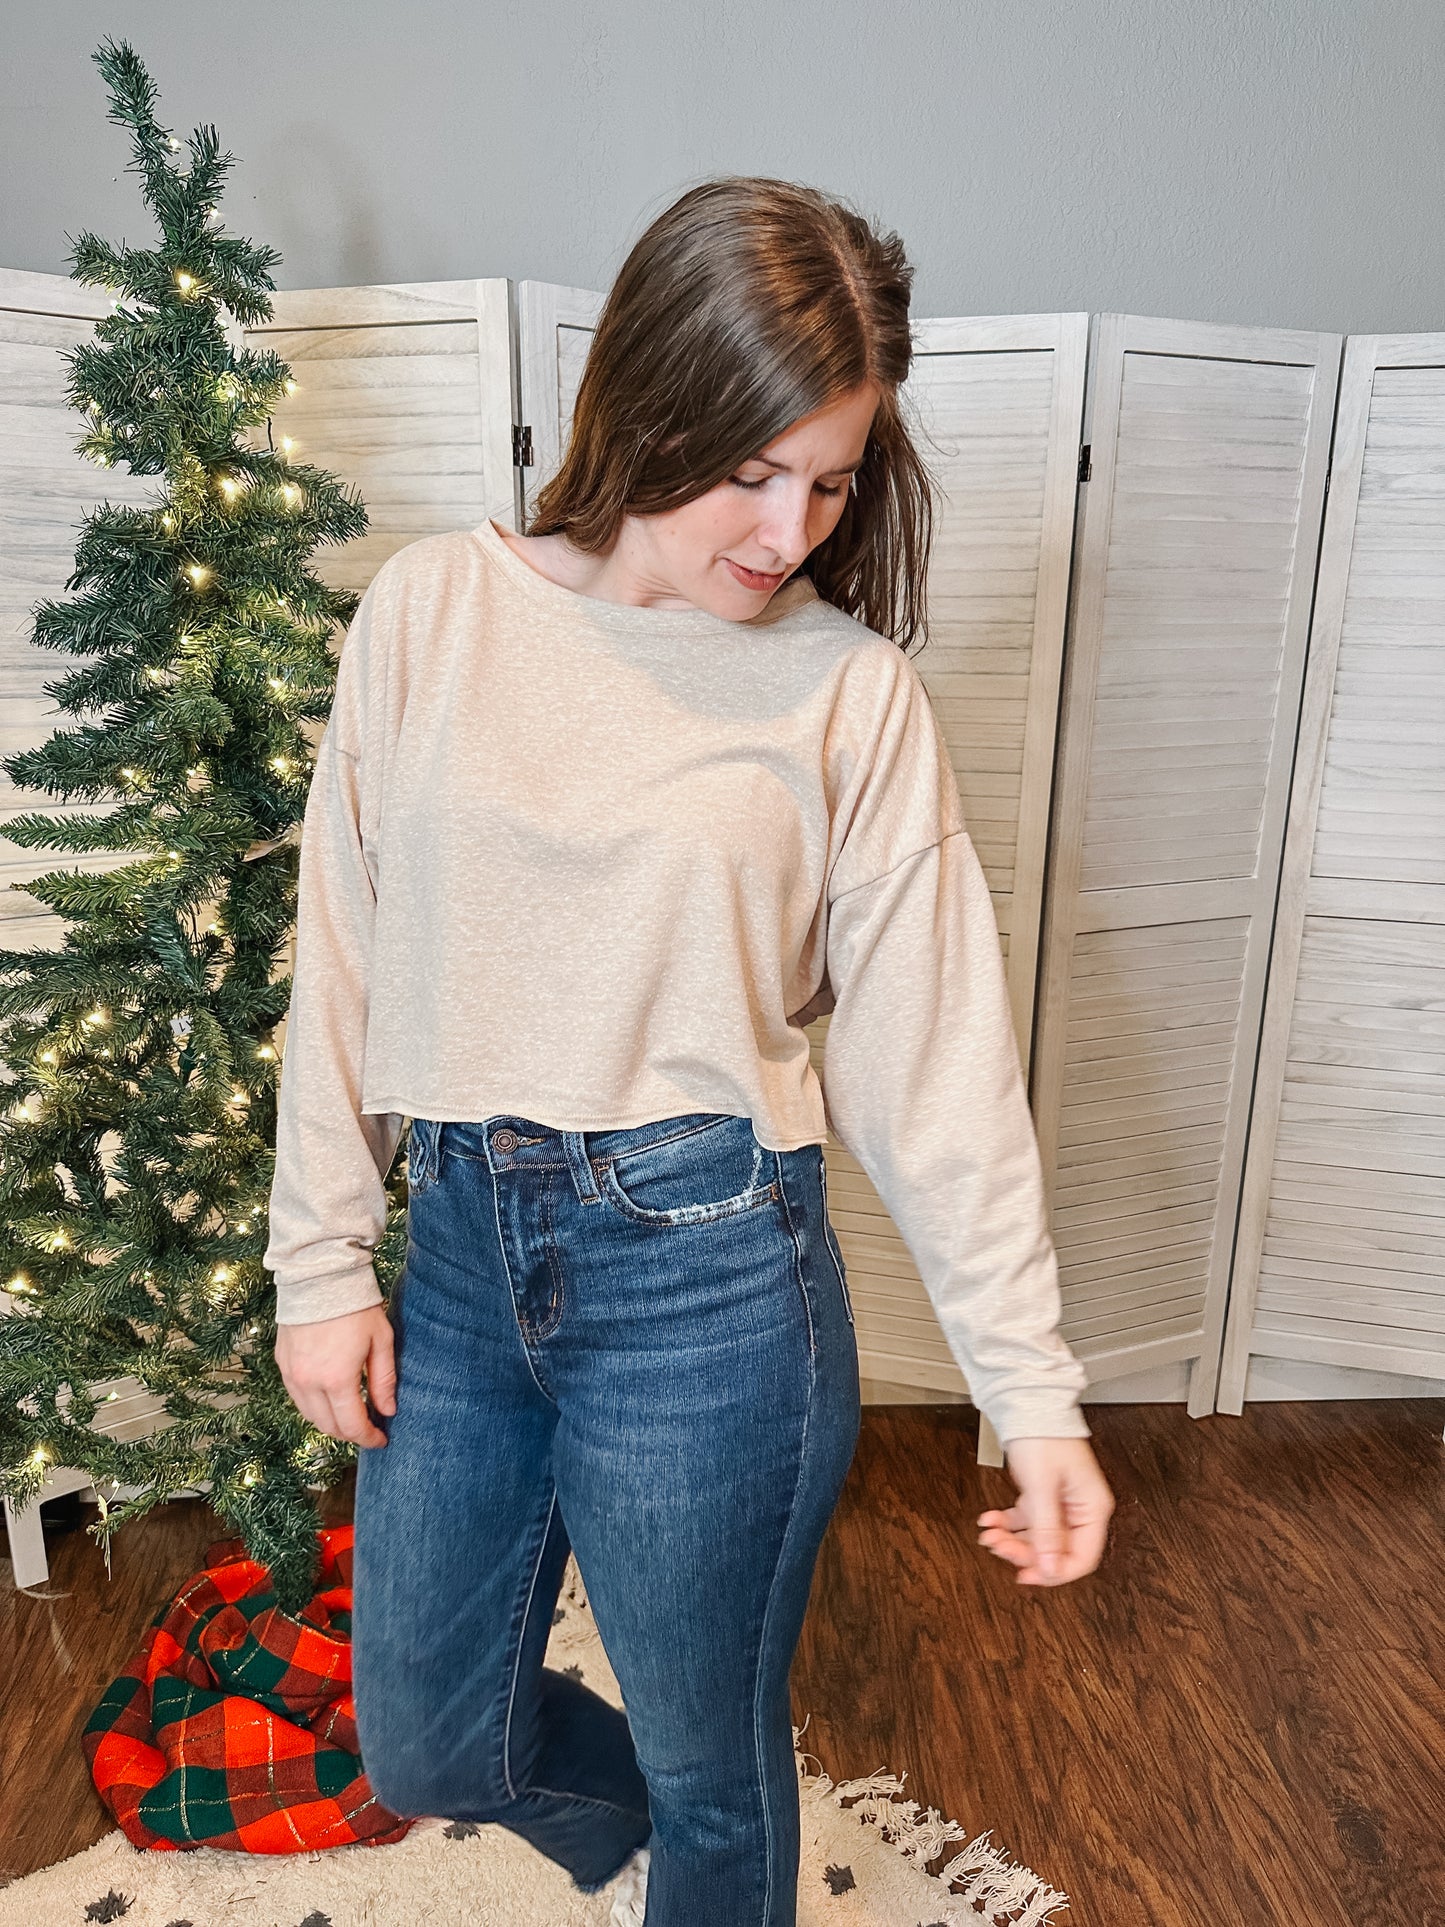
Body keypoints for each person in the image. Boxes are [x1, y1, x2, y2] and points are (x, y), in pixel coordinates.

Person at [267, 174, 1115, 1927]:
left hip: (710, 1283)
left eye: (829, 478)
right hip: (457, 1261)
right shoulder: (435, 610)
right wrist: (314, 1257)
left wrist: (1029, 1389)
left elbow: (932, 1063)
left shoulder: (846, 696)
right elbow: (340, 951)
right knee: (426, 1743)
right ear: (646, 400)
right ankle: (690, 1843)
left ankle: (714, 1854)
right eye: (748, 468)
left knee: (716, 1771)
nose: (788, 525)